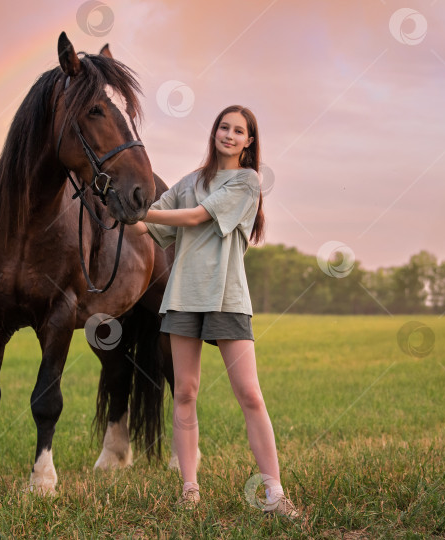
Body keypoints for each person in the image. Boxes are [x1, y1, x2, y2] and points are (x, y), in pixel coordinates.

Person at [130, 105, 302, 519]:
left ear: (249, 141)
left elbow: (194, 217)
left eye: (238, 130)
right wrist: (115, 209)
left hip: (226, 298)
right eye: (223, 127)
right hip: (182, 298)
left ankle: (274, 493)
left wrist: (140, 211)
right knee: (185, 392)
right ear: (215, 132)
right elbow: (146, 229)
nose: (228, 134)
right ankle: (190, 490)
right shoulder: (189, 182)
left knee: (249, 394)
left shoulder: (247, 181)